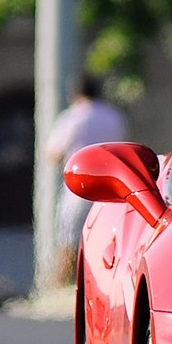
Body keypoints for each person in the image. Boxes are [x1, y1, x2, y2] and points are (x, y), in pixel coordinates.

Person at [45, 75, 128, 286]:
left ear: (75, 94)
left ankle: (61, 286)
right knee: (105, 244)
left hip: (78, 190)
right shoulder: (114, 116)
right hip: (110, 191)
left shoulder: (72, 117)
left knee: (68, 243)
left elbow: (54, 154)